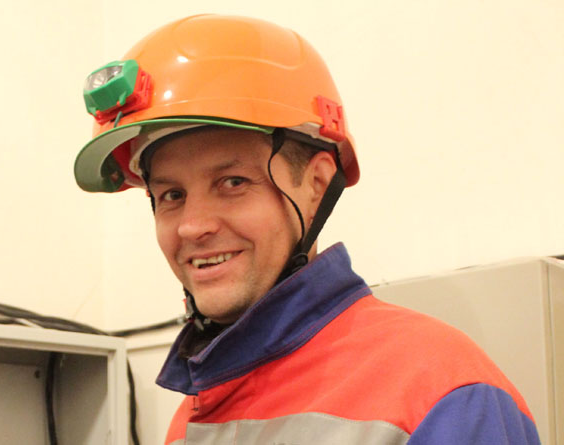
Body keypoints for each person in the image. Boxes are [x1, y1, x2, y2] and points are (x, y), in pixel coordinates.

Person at [73, 14, 540, 444]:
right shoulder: (192, 416)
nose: (193, 226)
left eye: (233, 182)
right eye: (172, 195)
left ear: (316, 185)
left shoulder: (442, 393)